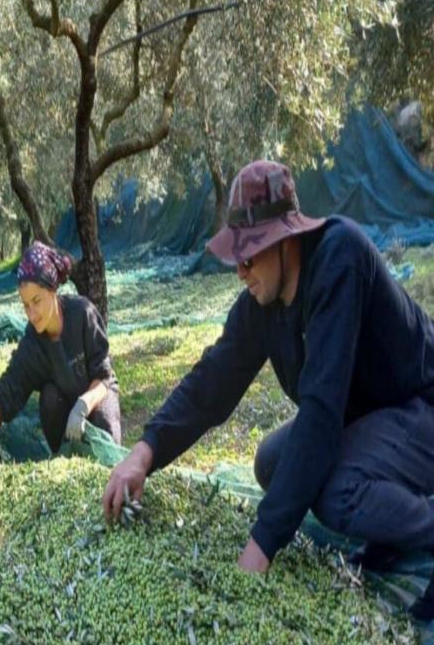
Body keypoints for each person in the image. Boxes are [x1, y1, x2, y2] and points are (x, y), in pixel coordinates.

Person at [103, 159, 434, 579]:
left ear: (286, 239)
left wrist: (260, 547)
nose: (241, 272)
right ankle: (390, 523)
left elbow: (320, 415)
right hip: (367, 417)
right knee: (272, 463)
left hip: (418, 406)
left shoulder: (340, 259)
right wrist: (143, 453)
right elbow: (212, 382)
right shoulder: (262, 304)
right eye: (236, 258)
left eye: (250, 255)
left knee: (336, 493)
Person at [0, 242, 120, 467]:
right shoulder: (33, 343)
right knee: (49, 397)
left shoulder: (82, 313)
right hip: (64, 412)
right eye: (25, 305)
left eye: (37, 301)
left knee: (104, 412)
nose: (32, 314)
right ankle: (63, 458)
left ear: (52, 290)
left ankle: (105, 463)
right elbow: (6, 392)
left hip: (95, 399)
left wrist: (82, 406)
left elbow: (104, 377)